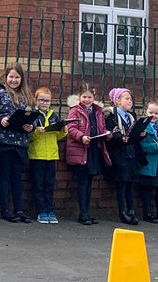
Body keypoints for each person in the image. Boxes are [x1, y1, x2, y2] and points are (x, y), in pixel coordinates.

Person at [0, 63, 35, 222]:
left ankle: (19, 209)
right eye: (11, 77)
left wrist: (31, 126)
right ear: (6, 77)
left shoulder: (26, 96)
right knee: (4, 177)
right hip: (3, 142)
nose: (14, 80)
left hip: (20, 143)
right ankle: (5, 210)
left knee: (17, 178)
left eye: (17, 77)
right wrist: (0, 119)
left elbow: (32, 116)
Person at [65, 83, 111, 225]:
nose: (86, 99)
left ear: (94, 97)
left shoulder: (98, 111)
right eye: (84, 97)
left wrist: (107, 134)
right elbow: (71, 128)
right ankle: (82, 213)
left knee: (90, 183)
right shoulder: (74, 110)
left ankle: (87, 212)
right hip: (81, 150)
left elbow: (101, 128)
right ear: (79, 97)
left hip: (93, 149)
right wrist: (81, 136)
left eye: (89, 97)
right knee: (83, 182)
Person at [29, 86, 67, 224]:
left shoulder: (54, 116)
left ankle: (49, 210)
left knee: (49, 185)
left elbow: (58, 136)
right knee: (38, 185)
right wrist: (36, 132)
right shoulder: (33, 115)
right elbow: (29, 136)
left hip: (51, 155)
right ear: (36, 100)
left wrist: (64, 130)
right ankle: (41, 211)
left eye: (47, 101)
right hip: (37, 155)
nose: (44, 103)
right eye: (41, 100)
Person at [105, 87, 140, 225]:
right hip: (120, 155)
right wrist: (120, 138)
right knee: (122, 185)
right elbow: (109, 134)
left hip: (131, 154)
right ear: (117, 101)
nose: (130, 101)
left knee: (131, 184)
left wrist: (140, 135)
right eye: (126, 98)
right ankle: (122, 211)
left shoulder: (132, 117)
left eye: (131, 99)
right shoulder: (112, 116)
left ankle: (131, 210)